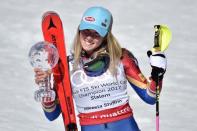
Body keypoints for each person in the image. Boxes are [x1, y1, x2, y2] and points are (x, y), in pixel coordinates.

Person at [34, 6, 167, 131]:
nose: (89, 37)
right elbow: (51, 115)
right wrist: (45, 87)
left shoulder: (121, 57)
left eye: (96, 33)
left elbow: (150, 98)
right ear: (79, 30)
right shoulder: (67, 66)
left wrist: (157, 74)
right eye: (85, 31)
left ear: (106, 36)